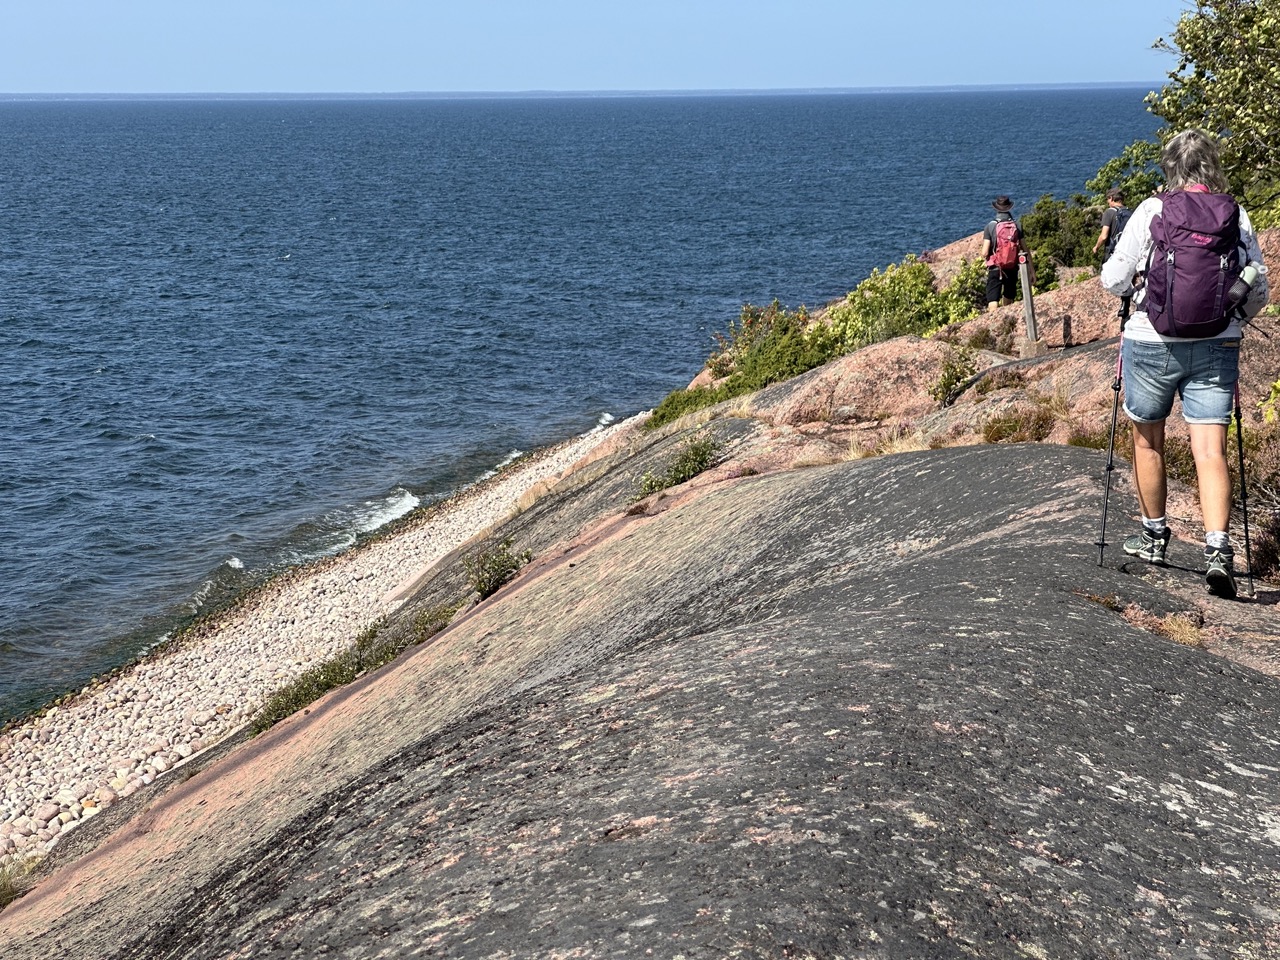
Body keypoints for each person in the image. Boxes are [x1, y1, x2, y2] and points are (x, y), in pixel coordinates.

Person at [1100, 129, 1269, 599]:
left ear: (1169, 166)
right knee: (1210, 449)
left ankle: (1154, 538)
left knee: (1147, 440)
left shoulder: (1152, 210)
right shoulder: (1235, 214)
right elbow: (1259, 288)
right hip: (1217, 343)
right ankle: (1218, 551)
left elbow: (1111, 278)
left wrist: (1137, 288)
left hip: (1150, 340)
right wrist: (1231, 317)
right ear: (1211, 164)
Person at [978, 195, 1031, 311]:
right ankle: (1006, 321)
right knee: (1008, 298)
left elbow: (985, 252)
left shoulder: (990, 226)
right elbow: (1025, 250)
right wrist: (1032, 271)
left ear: (996, 208)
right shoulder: (1017, 226)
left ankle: (994, 324)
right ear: (1009, 208)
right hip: (1011, 267)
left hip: (996, 268)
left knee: (993, 301)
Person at [1094, 187, 1132, 322]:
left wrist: (1096, 247)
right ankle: (1125, 304)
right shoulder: (1130, 212)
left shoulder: (1109, 212)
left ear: (1111, 198)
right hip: (1128, 253)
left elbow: (1104, 236)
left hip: (1112, 252)